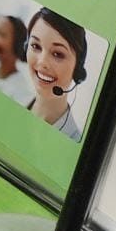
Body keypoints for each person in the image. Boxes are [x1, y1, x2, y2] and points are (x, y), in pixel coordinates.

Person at [23, 7, 86, 142]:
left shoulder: (73, 142)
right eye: (36, 46)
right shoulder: (8, 105)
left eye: (58, 54)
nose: (42, 62)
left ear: (77, 69)